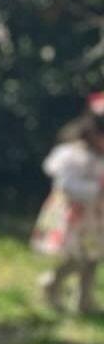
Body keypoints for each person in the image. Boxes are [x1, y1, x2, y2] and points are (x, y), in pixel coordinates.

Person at [32, 97, 104, 315]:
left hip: (97, 218)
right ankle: (52, 282)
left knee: (93, 259)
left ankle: (84, 300)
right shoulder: (73, 155)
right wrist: (95, 190)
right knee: (77, 258)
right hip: (76, 217)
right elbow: (65, 184)